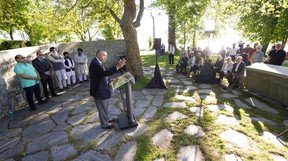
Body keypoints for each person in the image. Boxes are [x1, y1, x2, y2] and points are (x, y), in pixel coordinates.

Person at [89, 50, 126, 129]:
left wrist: (109, 80)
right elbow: (104, 73)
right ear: (98, 55)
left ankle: (106, 119)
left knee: (104, 107)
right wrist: (117, 67)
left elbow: (102, 74)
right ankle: (104, 124)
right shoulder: (95, 63)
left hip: (102, 89)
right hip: (99, 90)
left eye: (106, 55)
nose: (105, 57)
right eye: (103, 55)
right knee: (102, 108)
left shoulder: (98, 62)